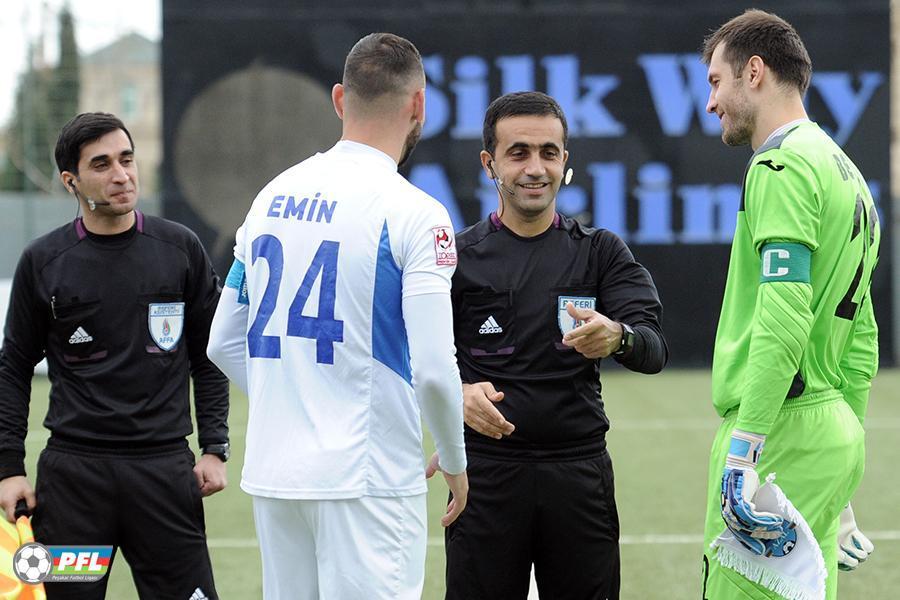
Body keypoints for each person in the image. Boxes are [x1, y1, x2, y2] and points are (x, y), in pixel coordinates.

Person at [206, 32, 468, 600]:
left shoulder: (270, 197)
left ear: (339, 99)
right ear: (419, 105)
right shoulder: (415, 212)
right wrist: (454, 459)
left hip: (277, 474)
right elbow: (432, 369)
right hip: (368, 476)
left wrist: (298, 398)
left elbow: (222, 340)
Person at [444, 91, 668, 600]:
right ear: (489, 164)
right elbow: (407, 353)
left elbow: (654, 347)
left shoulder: (599, 252)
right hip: (487, 474)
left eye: (549, 152)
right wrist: (456, 392)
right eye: (518, 153)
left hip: (578, 473)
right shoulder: (457, 259)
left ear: (565, 161)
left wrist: (619, 337)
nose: (535, 168)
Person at [0, 112, 229, 599]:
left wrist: (214, 446)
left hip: (164, 473)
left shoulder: (180, 249)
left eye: (127, 159)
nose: (121, 175)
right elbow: (14, 369)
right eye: (101, 164)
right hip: (75, 482)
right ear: (71, 181)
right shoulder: (44, 261)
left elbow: (209, 356)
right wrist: (9, 468)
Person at [701, 10, 880, 599]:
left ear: (754, 72)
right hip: (829, 433)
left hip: (779, 434)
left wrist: (745, 449)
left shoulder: (780, 164)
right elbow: (862, 339)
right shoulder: (849, 175)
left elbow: (784, 315)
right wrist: (844, 454)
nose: (711, 102)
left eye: (716, 81)